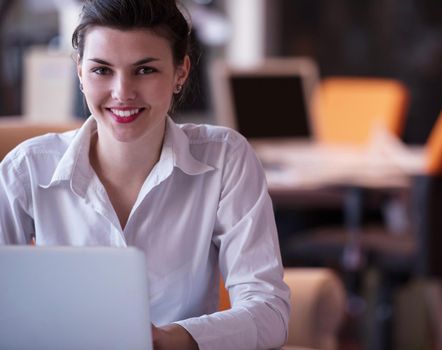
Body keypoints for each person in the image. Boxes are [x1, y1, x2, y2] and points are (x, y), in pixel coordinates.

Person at [0, 0, 290, 349]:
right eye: (101, 70)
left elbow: (269, 311)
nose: (122, 93)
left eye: (145, 70)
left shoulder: (226, 159)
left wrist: (174, 339)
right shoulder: (27, 168)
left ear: (181, 72)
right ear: (79, 71)